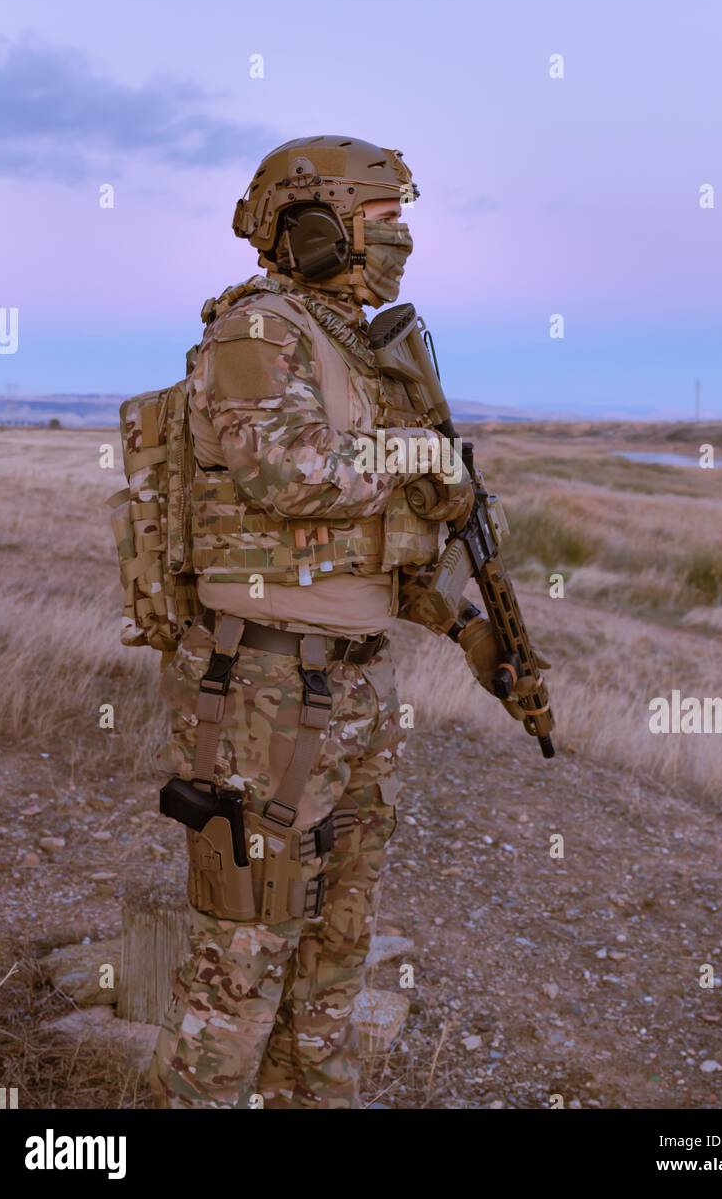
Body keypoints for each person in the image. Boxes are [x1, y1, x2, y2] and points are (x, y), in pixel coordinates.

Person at [150, 135, 489, 1109]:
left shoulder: (351, 342)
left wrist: (456, 610)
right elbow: (286, 473)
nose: (402, 244)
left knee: (334, 953)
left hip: (351, 682)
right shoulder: (257, 333)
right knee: (242, 959)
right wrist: (424, 459)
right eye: (383, 224)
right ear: (312, 226)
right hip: (260, 690)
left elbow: (373, 534)